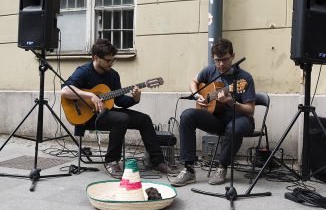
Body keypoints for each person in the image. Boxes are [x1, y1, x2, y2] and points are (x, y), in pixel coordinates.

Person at [61, 38, 172, 177]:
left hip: (107, 114)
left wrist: (135, 98)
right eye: (108, 61)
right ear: (96, 57)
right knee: (121, 118)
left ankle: (158, 162)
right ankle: (111, 161)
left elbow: (119, 100)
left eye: (113, 60)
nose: (111, 63)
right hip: (89, 117)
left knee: (144, 119)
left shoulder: (113, 75)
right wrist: (90, 96)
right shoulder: (84, 71)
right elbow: (65, 91)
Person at [170, 38, 255, 186]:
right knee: (187, 115)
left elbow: (250, 110)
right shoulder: (210, 70)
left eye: (225, 60)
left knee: (233, 127)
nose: (221, 64)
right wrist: (197, 95)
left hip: (240, 118)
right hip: (217, 118)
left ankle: (222, 166)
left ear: (233, 56)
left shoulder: (244, 78)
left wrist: (231, 102)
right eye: (217, 60)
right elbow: (193, 82)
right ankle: (189, 169)